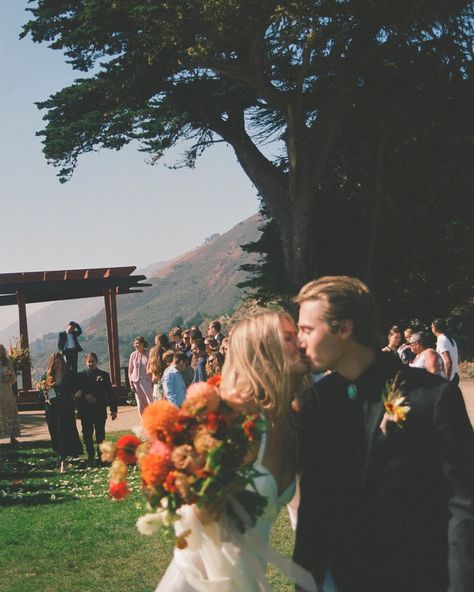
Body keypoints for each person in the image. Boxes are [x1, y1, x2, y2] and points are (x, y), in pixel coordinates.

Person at [293, 276, 474, 592]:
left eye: (307, 330)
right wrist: (305, 579)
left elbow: (464, 506)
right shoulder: (316, 404)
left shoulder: (432, 398)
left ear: (344, 329)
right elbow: (313, 504)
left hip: (419, 578)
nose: (299, 340)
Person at [156, 311, 315, 591]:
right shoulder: (231, 418)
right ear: (265, 352)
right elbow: (188, 508)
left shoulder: (291, 420)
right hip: (200, 580)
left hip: (249, 578)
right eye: (289, 338)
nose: (301, 342)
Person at [42, 352, 83, 473]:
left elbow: (78, 387)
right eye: (54, 364)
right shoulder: (47, 376)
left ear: (62, 362)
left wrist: (77, 393)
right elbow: (41, 392)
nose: (57, 366)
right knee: (55, 432)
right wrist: (45, 396)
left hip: (66, 407)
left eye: (58, 363)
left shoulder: (69, 374)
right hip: (52, 409)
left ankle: (63, 460)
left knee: (65, 431)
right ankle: (61, 454)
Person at [75, 353, 117, 465]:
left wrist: (114, 409)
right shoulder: (80, 376)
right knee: (87, 434)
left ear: (96, 361)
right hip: (85, 409)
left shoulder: (104, 375)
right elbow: (77, 391)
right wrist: (84, 395)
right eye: (89, 361)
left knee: (100, 434)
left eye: (93, 361)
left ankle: (101, 456)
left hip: (99, 408)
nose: (91, 363)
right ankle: (90, 455)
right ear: (85, 362)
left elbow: (110, 393)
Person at [0, 344, 20, 446]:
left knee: (10, 411)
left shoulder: (7, 363)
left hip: (7, 391)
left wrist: (10, 376)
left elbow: (14, 380)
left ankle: (12, 436)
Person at [128, 336, 153, 416]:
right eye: (135, 343)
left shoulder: (149, 354)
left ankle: (153, 419)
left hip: (147, 381)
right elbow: (130, 370)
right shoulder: (133, 355)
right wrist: (131, 383)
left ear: (142, 344)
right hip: (136, 381)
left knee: (150, 400)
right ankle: (144, 421)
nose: (135, 345)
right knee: (140, 403)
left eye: (137, 343)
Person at [431, 317, 460, 384]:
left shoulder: (441, 340)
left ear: (435, 328)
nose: (431, 329)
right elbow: (458, 359)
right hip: (455, 376)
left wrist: (447, 381)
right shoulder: (451, 339)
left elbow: (448, 361)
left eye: (432, 327)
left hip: (449, 379)